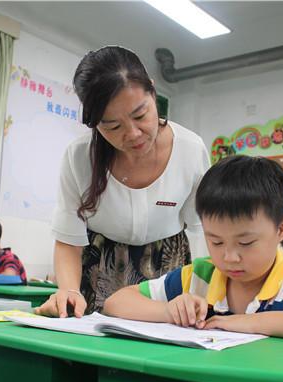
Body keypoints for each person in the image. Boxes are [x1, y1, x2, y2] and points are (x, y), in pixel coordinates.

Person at [103, 156, 283, 342]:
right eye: (216, 241)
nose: (229, 257)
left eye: (245, 243)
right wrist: (169, 311)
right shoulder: (199, 277)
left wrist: (248, 323)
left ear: (281, 229)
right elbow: (116, 302)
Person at [35, 46, 209, 317]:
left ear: (153, 91)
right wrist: (69, 291)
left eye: (140, 115)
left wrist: (200, 295)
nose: (133, 134)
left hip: (167, 271)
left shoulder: (190, 149)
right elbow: (69, 238)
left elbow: (200, 231)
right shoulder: (80, 157)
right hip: (98, 267)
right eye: (112, 126)